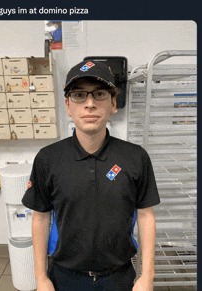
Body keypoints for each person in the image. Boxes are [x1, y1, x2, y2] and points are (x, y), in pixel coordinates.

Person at [22, 60, 160, 291]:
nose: (89, 104)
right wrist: (41, 277)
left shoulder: (136, 158)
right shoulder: (48, 159)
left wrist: (147, 276)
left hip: (119, 277)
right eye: (79, 95)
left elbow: (146, 217)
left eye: (99, 94)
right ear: (67, 105)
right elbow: (40, 218)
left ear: (113, 103)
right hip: (64, 277)